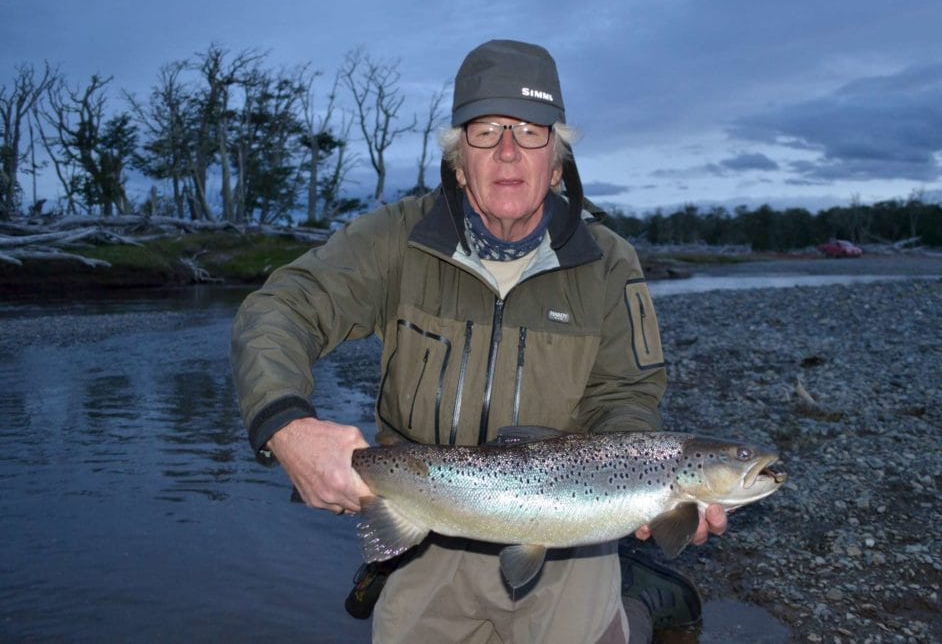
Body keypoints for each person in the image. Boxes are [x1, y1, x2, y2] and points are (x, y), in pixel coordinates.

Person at [231, 39, 727, 644]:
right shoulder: (395, 240)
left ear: (558, 160)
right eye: (487, 130)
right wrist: (286, 426)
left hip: (571, 542)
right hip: (424, 535)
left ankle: (641, 604)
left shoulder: (609, 262)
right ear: (458, 158)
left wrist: (641, 494)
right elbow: (279, 307)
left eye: (531, 131)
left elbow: (626, 394)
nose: (510, 151)